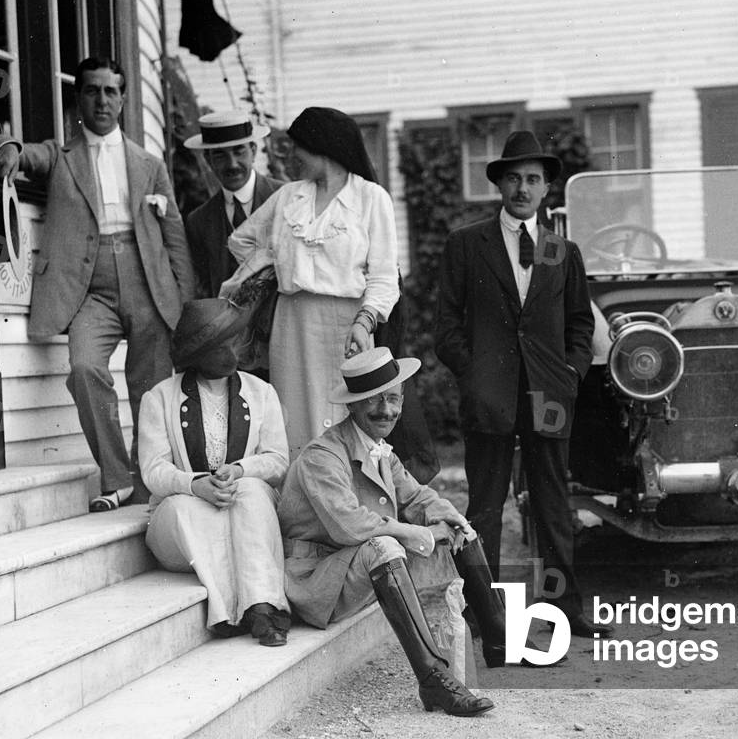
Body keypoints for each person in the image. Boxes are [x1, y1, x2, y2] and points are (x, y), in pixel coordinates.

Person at [279, 348, 551, 717]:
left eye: (393, 399)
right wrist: (415, 533)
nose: (386, 411)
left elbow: (417, 496)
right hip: (318, 579)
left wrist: (453, 519)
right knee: (386, 546)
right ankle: (433, 680)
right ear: (353, 407)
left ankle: (499, 636)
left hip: (353, 568)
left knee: (456, 529)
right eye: (373, 402)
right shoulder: (322, 456)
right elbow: (349, 525)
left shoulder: (378, 450)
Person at [0, 56, 195, 511]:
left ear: (122, 99)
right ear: (78, 99)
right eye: (92, 91)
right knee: (84, 370)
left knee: (151, 389)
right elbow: (22, 152)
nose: (102, 100)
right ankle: (117, 475)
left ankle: (150, 483)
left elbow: (174, 235)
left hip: (146, 283)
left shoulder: (149, 164)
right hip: (89, 290)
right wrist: (6, 148)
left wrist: (183, 299)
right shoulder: (62, 157)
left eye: (111, 91)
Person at [435, 130, 609, 638]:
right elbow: (446, 327)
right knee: (485, 506)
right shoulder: (467, 244)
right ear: (500, 186)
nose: (523, 188)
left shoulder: (562, 251)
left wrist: (570, 373)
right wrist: (475, 373)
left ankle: (564, 610)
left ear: (546, 188)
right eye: (513, 178)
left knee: (553, 503)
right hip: (489, 396)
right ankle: (483, 613)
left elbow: (581, 325)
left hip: (549, 397)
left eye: (533, 179)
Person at [217, 106, 399, 460]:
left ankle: (348, 504)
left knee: (348, 416)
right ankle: (301, 504)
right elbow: (242, 240)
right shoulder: (289, 197)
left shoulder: (370, 198)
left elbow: (384, 276)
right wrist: (275, 268)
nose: (291, 155)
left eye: (297, 146)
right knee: (293, 419)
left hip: (349, 328)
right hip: (292, 324)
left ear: (323, 147)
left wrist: (365, 322)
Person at [139, 298, 292, 645]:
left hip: (241, 508)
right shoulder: (160, 398)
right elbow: (153, 470)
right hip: (183, 523)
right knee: (183, 507)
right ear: (197, 352)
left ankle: (263, 607)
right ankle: (224, 611)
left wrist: (240, 470)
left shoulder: (261, 393)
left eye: (234, 340)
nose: (231, 352)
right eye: (218, 345)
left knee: (251, 491)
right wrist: (195, 485)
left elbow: (277, 459)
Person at [183, 111, 284, 299]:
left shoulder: (284, 198)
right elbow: (205, 287)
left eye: (239, 151)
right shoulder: (199, 221)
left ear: (253, 151)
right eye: (220, 155)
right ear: (208, 160)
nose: (232, 164)